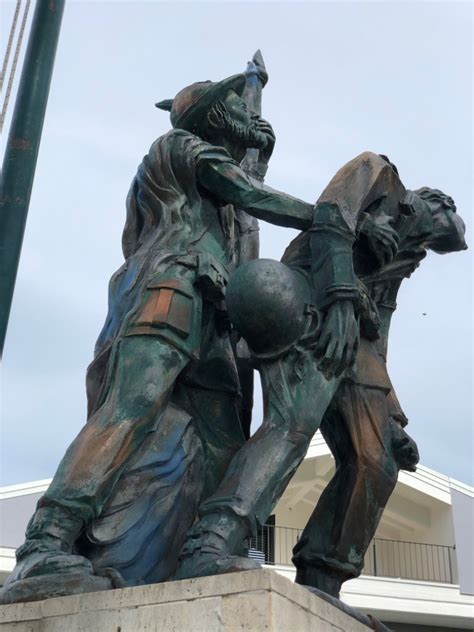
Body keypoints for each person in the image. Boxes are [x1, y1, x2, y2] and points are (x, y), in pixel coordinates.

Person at [0, 71, 326, 604]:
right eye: (238, 109)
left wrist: (258, 155)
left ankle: (204, 549)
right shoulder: (181, 146)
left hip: (211, 315)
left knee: (224, 439)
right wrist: (324, 217)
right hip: (170, 288)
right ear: (217, 116)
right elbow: (246, 191)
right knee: (133, 408)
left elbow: (242, 206)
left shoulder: (212, 179)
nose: (250, 115)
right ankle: (47, 539)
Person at [175, 152, 467, 585]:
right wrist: (343, 296)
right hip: (308, 298)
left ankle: (323, 577)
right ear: (439, 204)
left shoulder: (411, 255)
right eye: (454, 225)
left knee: (379, 458)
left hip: (355, 334)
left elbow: (378, 335)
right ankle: (211, 543)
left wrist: (394, 418)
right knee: (291, 428)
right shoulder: (380, 174)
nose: (456, 237)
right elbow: (331, 213)